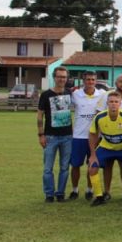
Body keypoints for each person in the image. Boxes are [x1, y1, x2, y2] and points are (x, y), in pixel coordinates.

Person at [87, 91, 122, 206]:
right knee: (92, 168)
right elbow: (92, 134)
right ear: (107, 103)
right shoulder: (99, 117)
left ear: (120, 103)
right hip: (106, 148)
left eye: (116, 102)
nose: (113, 104)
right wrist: (93, 155)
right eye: (111, 102)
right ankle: (100, 196)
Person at [37, 66, 73, 203]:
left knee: (64, 168)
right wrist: (41, 134)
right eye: (59, 76)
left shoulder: (70, 93)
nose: (62, 79)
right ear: (54, 77)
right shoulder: (46, 95)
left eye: (64, 77)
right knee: (48, 168)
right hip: (50, 136)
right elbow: (40, 115)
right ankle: (49, 194)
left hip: (67, 137)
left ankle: (60, 193)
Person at [68, 71, 107, 201]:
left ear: (96, 81)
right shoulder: (75, 94)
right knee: (75, 165)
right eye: (88, 80)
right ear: (83, 81)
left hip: (95, 137)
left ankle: (90, 190)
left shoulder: (102, 95)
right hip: (78, 136)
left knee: (93, 165)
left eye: (92, 80)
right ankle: (74, 190)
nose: (90, 82)